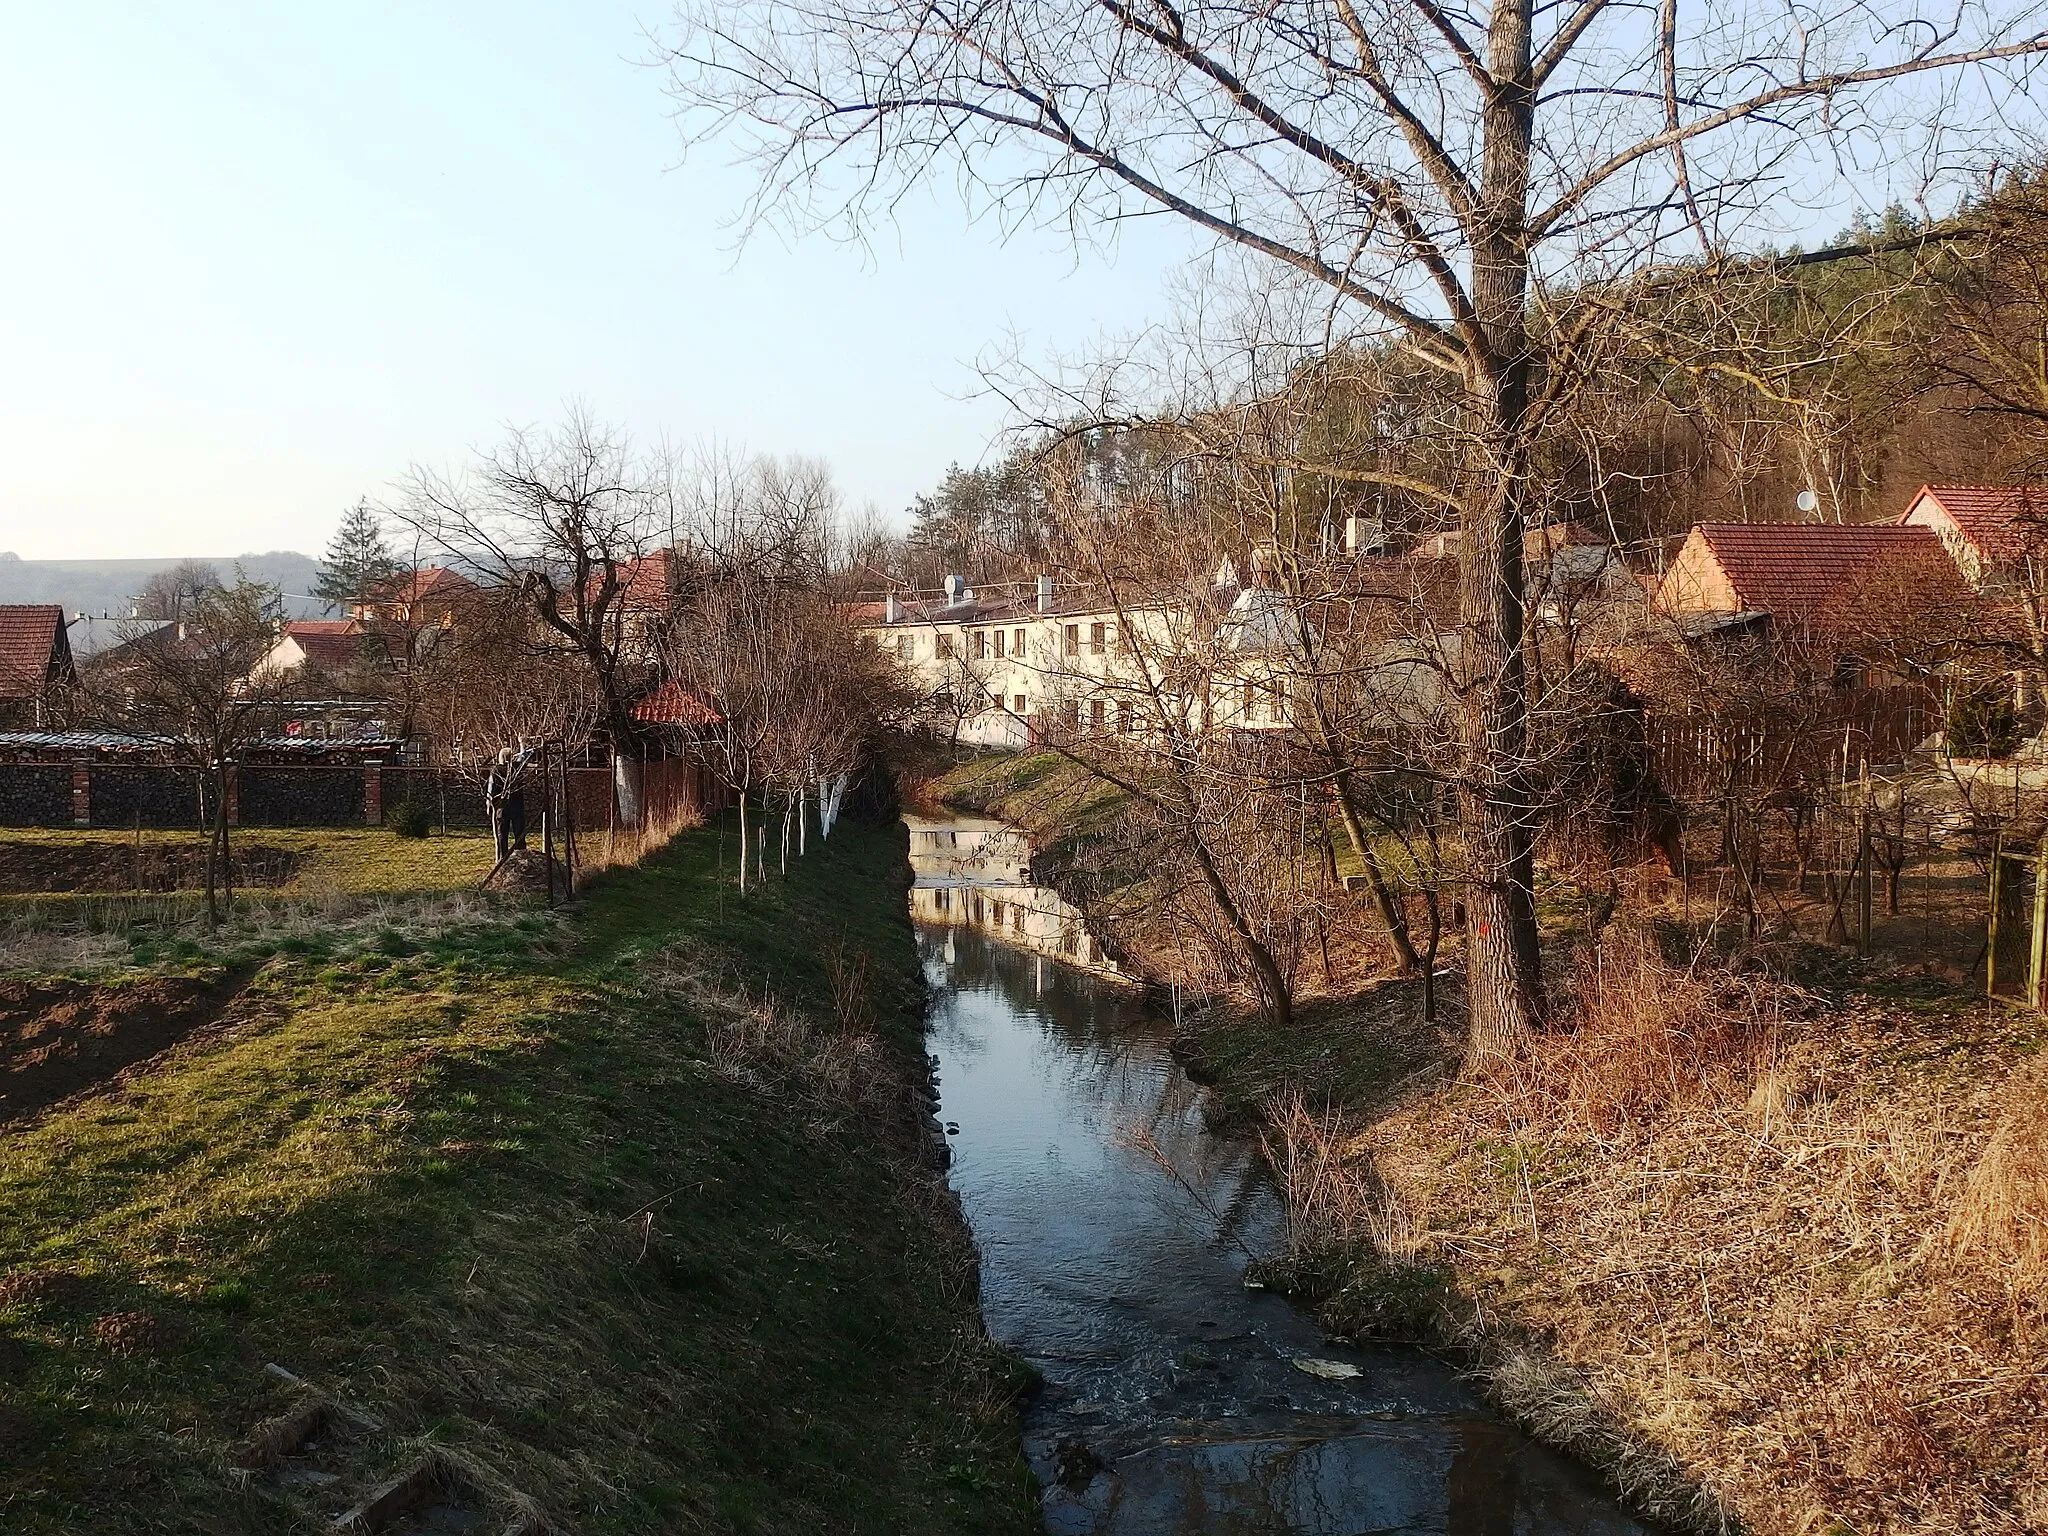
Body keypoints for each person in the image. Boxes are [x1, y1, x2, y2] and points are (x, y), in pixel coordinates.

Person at [487, 743, 535, 863]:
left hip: (501, 807)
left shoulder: (495, 770)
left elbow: (491, 789)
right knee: (519, 833)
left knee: (502, 835)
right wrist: (522, 744)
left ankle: (502, 860)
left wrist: (489, 804)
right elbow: (524, 757)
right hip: (517, 806)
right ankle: (521, 857)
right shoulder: (516, 768)